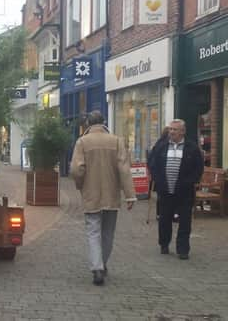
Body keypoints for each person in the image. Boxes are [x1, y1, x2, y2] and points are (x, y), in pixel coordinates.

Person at [70, 110, 136, 286]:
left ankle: (97, 268)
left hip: (91, 194)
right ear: (104, 122)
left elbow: (76, 169)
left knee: (93, 231)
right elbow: (124, 169)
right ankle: (103, 263)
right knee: (108, 233)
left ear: (88, 124)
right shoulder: (116, 141)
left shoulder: (82, 142)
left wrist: (80, 184)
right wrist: (130, 195)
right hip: (111, 194)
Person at [147, 119, 203, 260]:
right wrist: (158, 180)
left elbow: (198, 168)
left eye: (174, 129)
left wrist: (190, 181)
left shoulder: (192, 147)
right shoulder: (161, 145)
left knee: (185, 220)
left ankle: (183, 249)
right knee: (165, 218)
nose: (171, 132)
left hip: (184, 191)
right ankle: (164, 244)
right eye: (170, 129)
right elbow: (152, 163)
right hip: (165, 189)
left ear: (182, 131)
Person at [147, 126, 171, 221]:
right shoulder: (162, 145)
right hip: (161, 175)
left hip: (158, 175)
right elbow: (152, 160)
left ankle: (160, 214)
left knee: (161, 195)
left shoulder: (158, 143)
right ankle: (162, 213)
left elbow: (150, 160)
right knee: (163, 195)